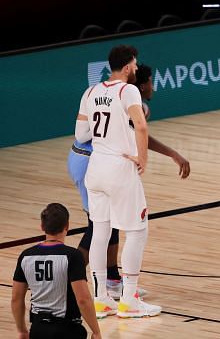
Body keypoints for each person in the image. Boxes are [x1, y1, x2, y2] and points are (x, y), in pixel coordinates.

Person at [67, 64, 189, 300]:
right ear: (141, 85)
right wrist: (165, 155)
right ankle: (69, 279)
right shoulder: (132, 103)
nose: (154, 86)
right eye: (151, 81)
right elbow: (139, 132)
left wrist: (172, 153)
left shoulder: (111, 95)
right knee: (99, 226)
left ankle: (111, 280)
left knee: (107, 224)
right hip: (91, 159)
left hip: (84, 158)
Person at [75, 45, 161, 319]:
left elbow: (81, 132)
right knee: (137, 231)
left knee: (100, 233)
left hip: (95, 168)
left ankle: (100, 300)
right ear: (126, 68)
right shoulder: (129, 90)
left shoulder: (90, 91)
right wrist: (142, 158)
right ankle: (129, 300)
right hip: (119, 168)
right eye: (134, 65)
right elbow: (142, 125)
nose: (136, 69)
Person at [12, 203, 102, 339]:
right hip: (68, 330)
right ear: (67, 226)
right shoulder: (72, 256)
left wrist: (22, 330)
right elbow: (83, 299)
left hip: (38, 329)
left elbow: (16, 299)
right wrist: (96, 331)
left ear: (42, 226)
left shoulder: (26, 256)